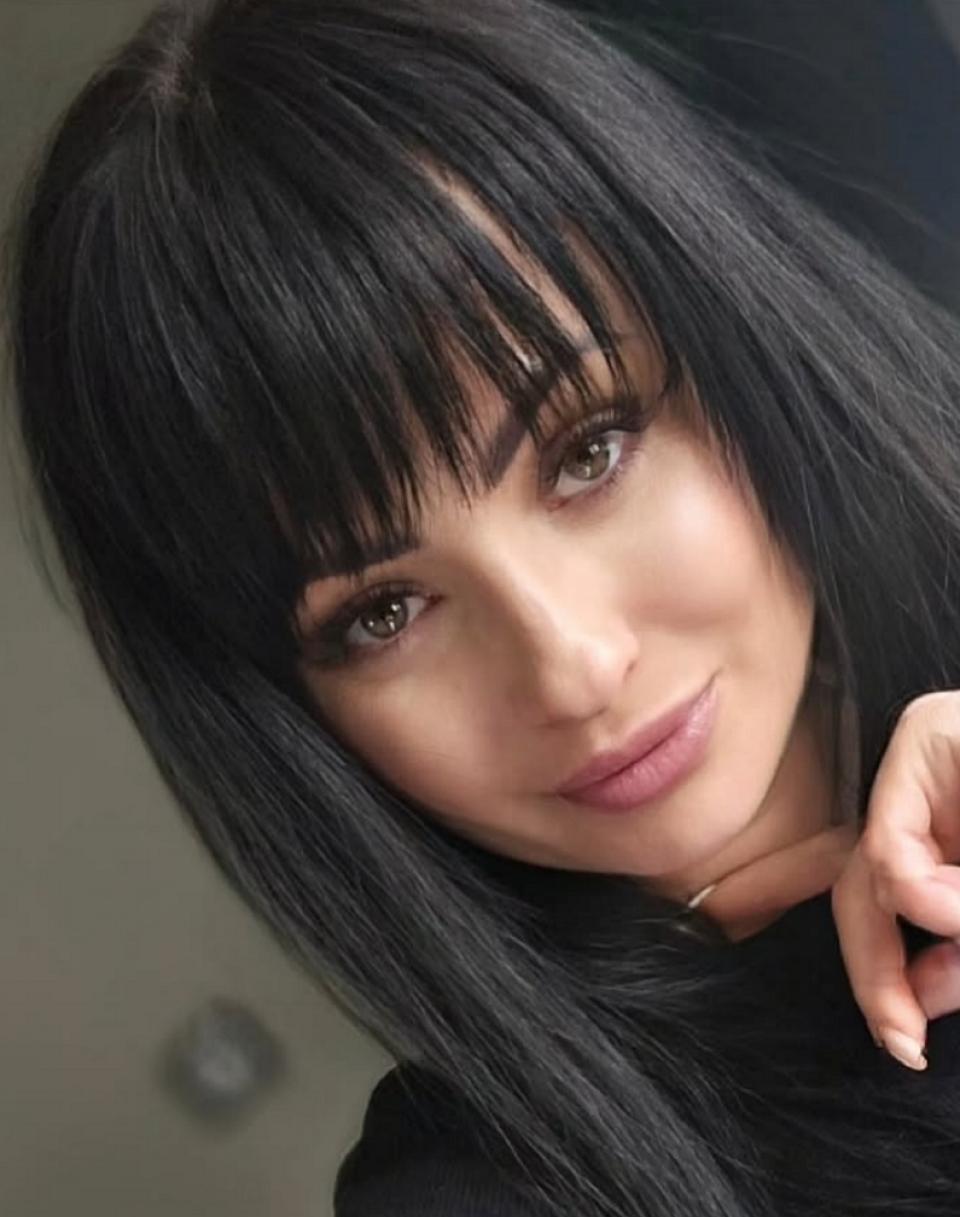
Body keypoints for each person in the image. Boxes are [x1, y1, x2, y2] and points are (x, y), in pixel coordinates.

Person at [6, 1, 960, 1213]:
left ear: (736, 341)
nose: (574, 666)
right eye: (384, 611)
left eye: (588, 451)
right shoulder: (480, 1185)